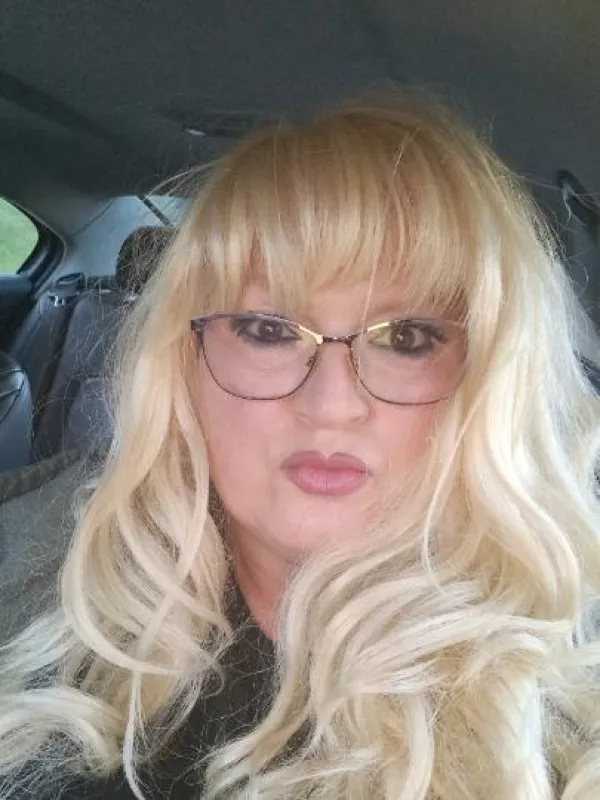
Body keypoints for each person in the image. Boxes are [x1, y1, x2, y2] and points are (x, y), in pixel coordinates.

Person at [0, 91, 599, 800]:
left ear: (492, 381)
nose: (331, 405)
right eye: (268, 331)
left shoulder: (559, 698)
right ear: (184, 366)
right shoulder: (38, 571)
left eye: (407, 338)